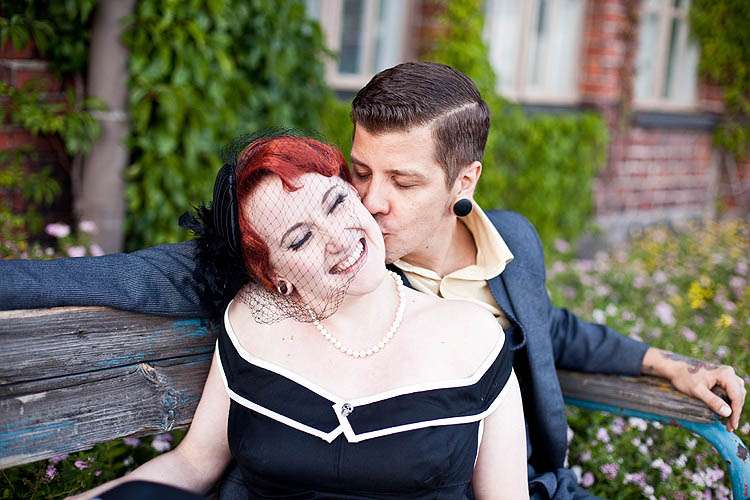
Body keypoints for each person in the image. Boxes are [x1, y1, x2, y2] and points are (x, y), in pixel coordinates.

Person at [2, 62, 745, 499]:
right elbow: (151, 274)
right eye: (359, 172)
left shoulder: (509, 243)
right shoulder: (334, 254)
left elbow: (552, 327)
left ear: (463, 182)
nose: (371, 203)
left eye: (403, 181)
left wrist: (667, 364)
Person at [70, 133, 529, 499]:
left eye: (336, 204)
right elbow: (192, 464)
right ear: (276, 276)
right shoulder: (253, 321)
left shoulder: (472, 335)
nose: (338, 239)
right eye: (300, 239)